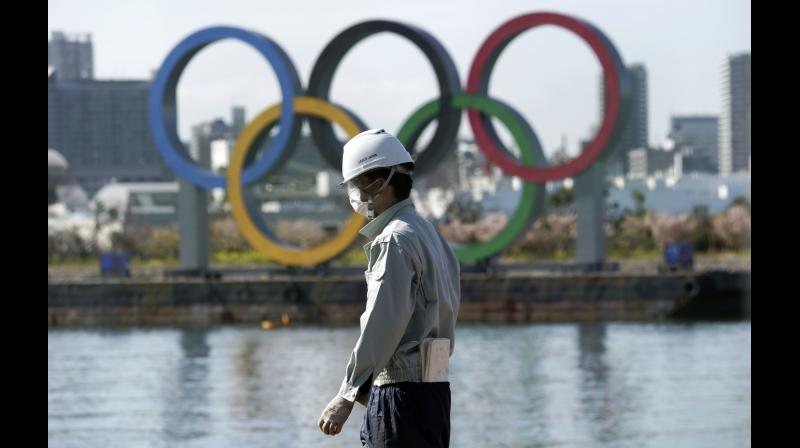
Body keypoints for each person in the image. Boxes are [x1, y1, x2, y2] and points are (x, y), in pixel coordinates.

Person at [317, 129, 461, 447]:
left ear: (375, 182)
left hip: (400, 396)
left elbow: (382, 323)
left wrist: (347, 393)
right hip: (436, 393)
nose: (354, 195)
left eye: (354, 185)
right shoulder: (430, 234)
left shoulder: (393, 239)